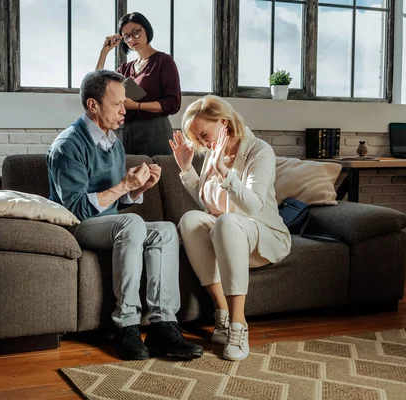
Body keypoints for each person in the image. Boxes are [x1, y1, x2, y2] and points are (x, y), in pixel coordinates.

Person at [46, 69, 203, 361]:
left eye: (125, 104)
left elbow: (115, 204)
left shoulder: (114, 143)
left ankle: (163, 324)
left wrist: (136, 189)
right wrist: (123, 185)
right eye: (118, 104)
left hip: (111, 225)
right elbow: (76, 209)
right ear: (93, 105)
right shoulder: (68, 146)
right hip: (78, 227)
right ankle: (127, 325)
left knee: (166, 230)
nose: (124, 111)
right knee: (131, 223)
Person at [170, 95, 291, 361]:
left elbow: (253, 207)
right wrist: (187, 168)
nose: (202, 143)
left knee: (227, 222)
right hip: (226, 233)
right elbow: (209, 202)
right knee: (190, 219)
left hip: (261, 235)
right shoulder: (215, 151)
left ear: (223, 122)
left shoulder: (260, 151)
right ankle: (221, 312)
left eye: (204, 134)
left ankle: (239, 325)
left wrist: (225, 172)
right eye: (197, 140)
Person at [96, 12, 181, 157]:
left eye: (136, 32)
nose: (132, 38)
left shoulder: (163, 60)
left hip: (155, 129)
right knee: (132, 175)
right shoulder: (125, 69)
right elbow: (97, 82)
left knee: (157, 176)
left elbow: (173, 103)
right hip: (129, 131)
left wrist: (136, 106)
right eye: (127, 36)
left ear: (146, 29)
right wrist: (104, 52)